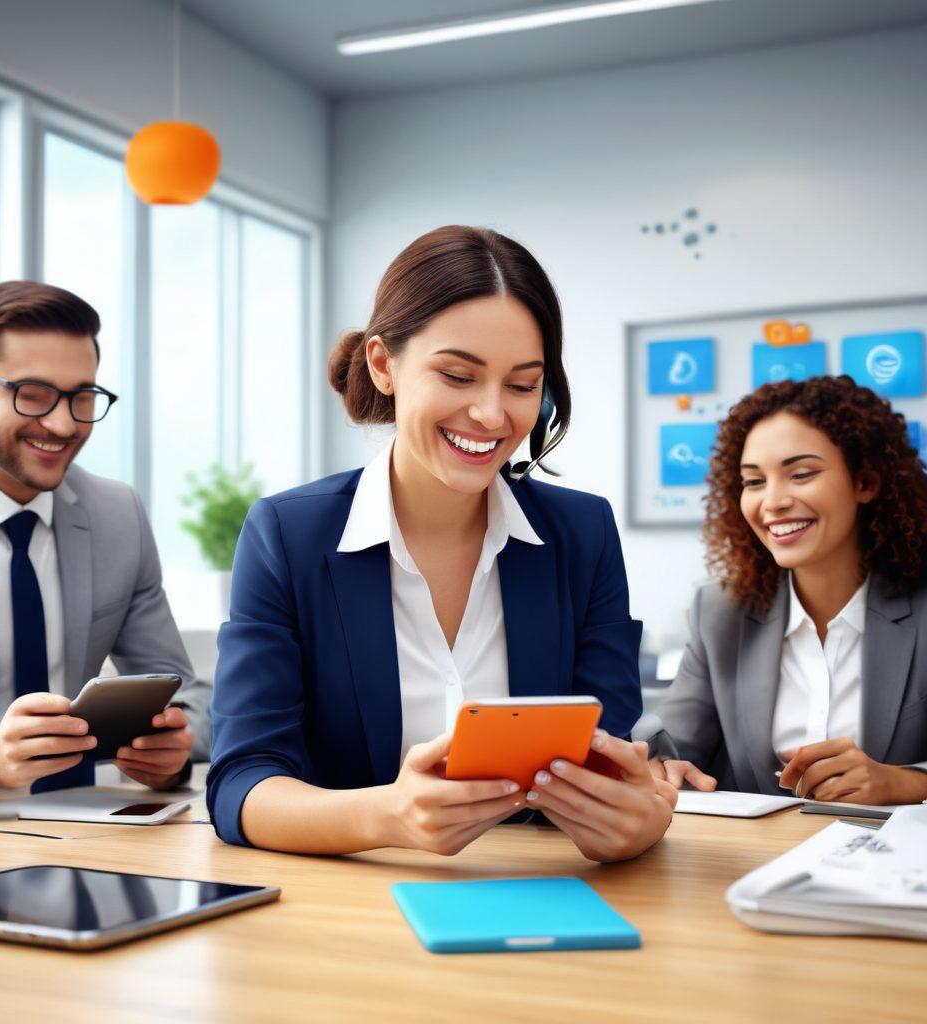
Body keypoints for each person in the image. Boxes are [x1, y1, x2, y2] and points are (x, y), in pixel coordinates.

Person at [208, 225, 675, 861]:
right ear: (383, 364)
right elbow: (242, 784)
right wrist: (388, 815)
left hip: (540, 896)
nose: (491, 415)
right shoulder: (288, 536)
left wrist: (635, 820)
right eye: (458, 375)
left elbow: (612, 754)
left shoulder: (582, 535)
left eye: (521, 385)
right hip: (344, 910)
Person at [0, 281, 210, 809]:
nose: (63, 423)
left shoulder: (118, 514)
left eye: (82, 396)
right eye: (33, 394)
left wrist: (173, 751)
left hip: (85, 828)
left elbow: (191, 696)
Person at [653, 375, 927, 804]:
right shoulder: (720, 612)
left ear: (866, 482)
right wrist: (662, 765)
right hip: (759, 865)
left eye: (800, 474)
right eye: (754, 481)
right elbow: (671, 742)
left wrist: (907, 783)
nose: (773, 502)